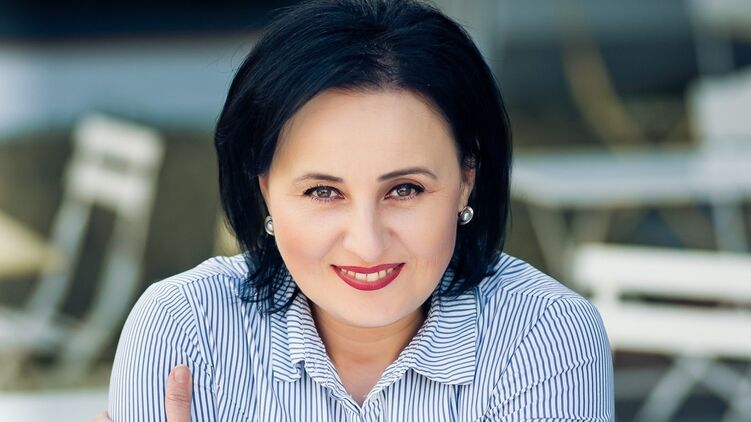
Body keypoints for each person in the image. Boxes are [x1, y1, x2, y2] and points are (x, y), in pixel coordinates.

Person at [98, 0, 614, 420]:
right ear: (265, 190)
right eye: (324, 192)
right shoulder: (186, 328)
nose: (367, 244)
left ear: (466, 182)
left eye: (405, 189)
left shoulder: (545, 336)